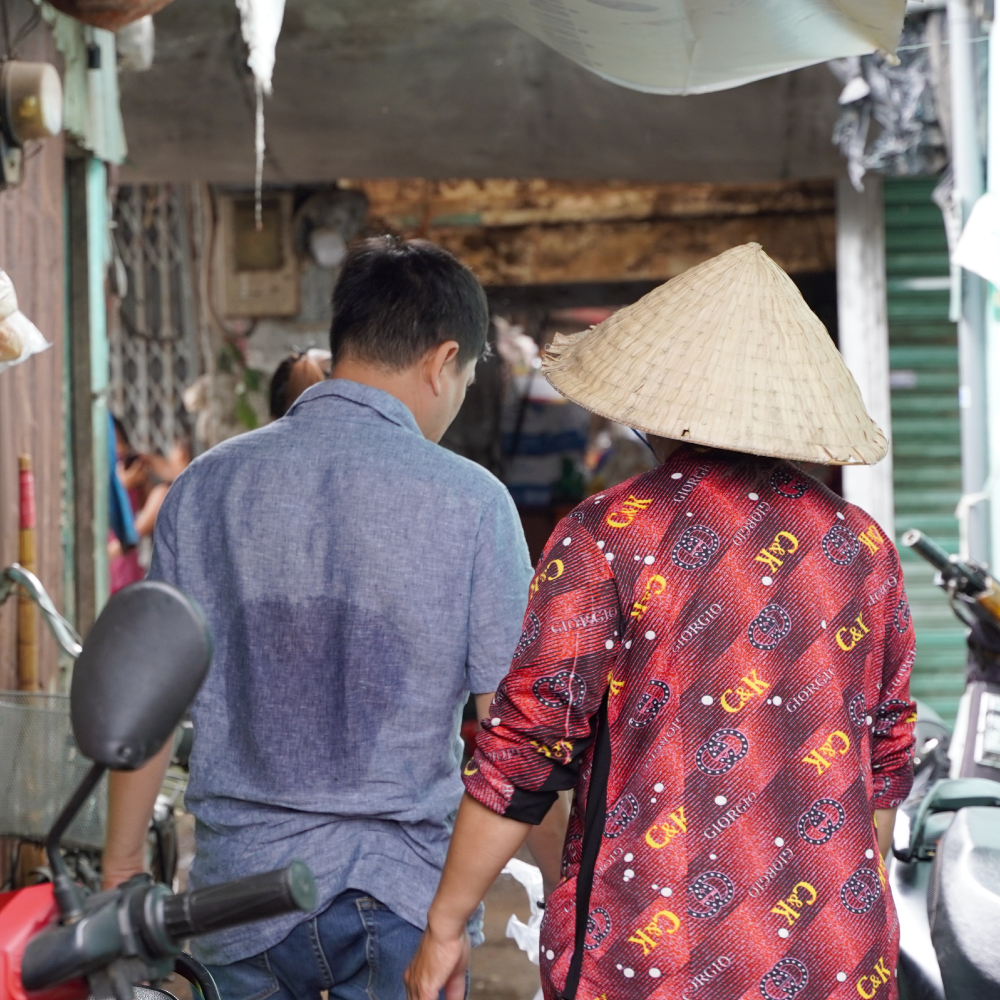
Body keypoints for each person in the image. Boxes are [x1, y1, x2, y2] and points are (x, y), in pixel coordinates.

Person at [405, 243, 916, 1000]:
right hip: (837, 957)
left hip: (654, 955)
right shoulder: (864, 548)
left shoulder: (609, 534)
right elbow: (885, 761)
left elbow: (527, 750)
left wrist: (445, 924)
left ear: (657, 400)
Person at [101, 236, 566, 1000]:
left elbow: (149, 698)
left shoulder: (207, 488)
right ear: (443, 361)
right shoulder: (475, 503)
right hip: (402, 896)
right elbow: (516, 738)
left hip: (237, 893)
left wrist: (122, 872)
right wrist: (564, 888)